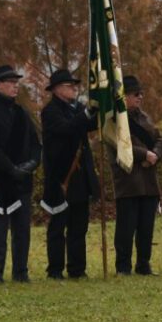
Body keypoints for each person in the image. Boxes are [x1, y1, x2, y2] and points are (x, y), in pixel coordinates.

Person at [0, 65, 42, 283]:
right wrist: (11, 169)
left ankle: (20, 271)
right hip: (1, 181)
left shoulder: (22, 113)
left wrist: (31, 164)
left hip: (23, 180)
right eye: (11, 82)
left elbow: (35, 142)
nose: (15, 86)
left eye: (16, 82)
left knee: (22, 229)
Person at [40, 69, 100, 280]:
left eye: (75, 85)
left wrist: (101, 108)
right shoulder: (50, 111)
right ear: (56, 90)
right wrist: (85, 115)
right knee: (58, 226)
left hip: (81, 176)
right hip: (62, 175)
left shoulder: (78, 108)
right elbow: (66, 129)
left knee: (79, 225)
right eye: (68, 85)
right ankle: (55, 270)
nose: (74, 88)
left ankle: (77, 268)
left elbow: (92, 125)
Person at [114, 75, 162, 276]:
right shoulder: (115, 119)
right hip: (128, 180)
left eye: (141, 94)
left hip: (149, 180)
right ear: (124, 96)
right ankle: (123, 266)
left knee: (146, 227)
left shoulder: (145, 118)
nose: (140, 97)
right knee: (126, 228)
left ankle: (144, 264)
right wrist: (145, 154)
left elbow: (159, 139)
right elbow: (119, 145)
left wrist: (155, 155)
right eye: (135, 94)